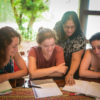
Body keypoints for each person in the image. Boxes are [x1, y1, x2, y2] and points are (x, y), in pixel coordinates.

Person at [54, 11, 86, 85]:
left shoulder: (80, 36)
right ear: (62, 24)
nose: (69, 30)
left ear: (76, 26)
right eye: (66, 27)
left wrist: (70, 74)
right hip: (58, 65)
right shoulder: (57, 27)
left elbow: (76, 58)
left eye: (72, 27)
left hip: (73, 67)